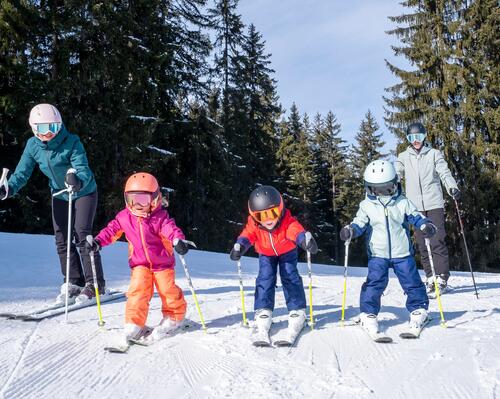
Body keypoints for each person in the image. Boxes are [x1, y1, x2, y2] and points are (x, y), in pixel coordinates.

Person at [0, 103, 105, 302]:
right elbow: (22, 173)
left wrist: (78, 180)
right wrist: (9, 188)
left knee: (82, 234)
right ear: (33, 128)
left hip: (84, 191)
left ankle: (95, 284)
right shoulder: (33, 145)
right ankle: (73, 281)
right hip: (60, 193)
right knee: (62, 238)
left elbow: (82, 168)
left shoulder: (72, 141)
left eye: (53, 127)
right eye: (42, 128)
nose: (48, 133)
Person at [85, 172, 190, 341]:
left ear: (155, 199)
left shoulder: (160, 217)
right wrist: (98, 242)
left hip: (162, 264)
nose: (138, 205)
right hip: (140, 264)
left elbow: (171, 230)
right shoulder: (124, 217)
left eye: (143, 200)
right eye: (133, 200)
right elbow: (111, 231)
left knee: (167, 290)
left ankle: (174, 317)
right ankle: (134, 323)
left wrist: (178, 240)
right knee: (137, 291)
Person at [340, 160, 436, 336]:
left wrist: (425, 225)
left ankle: (419, 310)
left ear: (395, 184)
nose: (382, 194)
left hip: (402, 253)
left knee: (412, 282)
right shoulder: (366, 205)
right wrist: (351, 230)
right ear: (368, 188)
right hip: (378, 254)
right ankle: (368, 313)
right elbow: (359, 223)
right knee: (374, 283)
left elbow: (416, 217)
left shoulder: (402, 202)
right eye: (376, 189)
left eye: (386, 188)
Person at [229, 185, 318, 340]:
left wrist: (304, 240)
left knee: (290, 277)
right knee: (265, 278)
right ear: (254, 216)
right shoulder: (254, 224)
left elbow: (295, 230)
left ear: (281, 209)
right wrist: (240, 246)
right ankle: (263, 310)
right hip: (265, 253)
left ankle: (297, 310)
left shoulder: (286, 221)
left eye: (272, 212)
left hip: (287, 252)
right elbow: (248, 234)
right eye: (262, 215)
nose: (269, 219)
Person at [395, 122, 460, 295]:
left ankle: (442, 278)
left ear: (424, 136)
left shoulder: (433, 154)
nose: (415, 141)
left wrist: (452, 187)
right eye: (411, 137)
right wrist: (389, 185)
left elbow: (444, 172)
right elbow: (396, 173)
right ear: (408, 139)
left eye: (418, 137)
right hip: (414, 207)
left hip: (434, 204)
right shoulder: (403, 156)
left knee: (437, 240)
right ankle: (430, 278)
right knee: (422, 244)